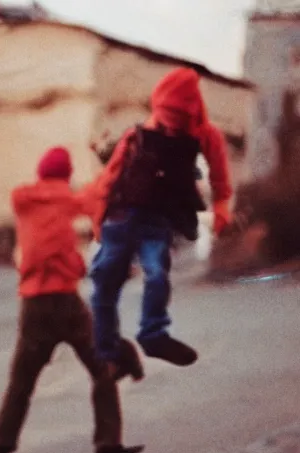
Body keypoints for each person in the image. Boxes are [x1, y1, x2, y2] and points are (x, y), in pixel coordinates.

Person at [0, 147, 150, 453]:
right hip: (63, 305)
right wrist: (123, 153)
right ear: (63, 175)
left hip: (32, 307)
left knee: (20, 386)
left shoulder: (24, 202)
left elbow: (44, 245)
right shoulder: (66, 199)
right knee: (103, 372)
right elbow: (101, 188)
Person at [82, 67, 233, 367]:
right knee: (106, 284)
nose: (170, 123)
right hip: (121, 216)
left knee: (156, 274)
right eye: (166, 115)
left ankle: (152, 336)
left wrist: (222, 208)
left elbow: (219, 177)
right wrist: (98, 221)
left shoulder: (205, 134)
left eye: (177, 117)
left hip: (155, 221)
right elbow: (109, 178)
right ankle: (107, 353)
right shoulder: (137, 136)